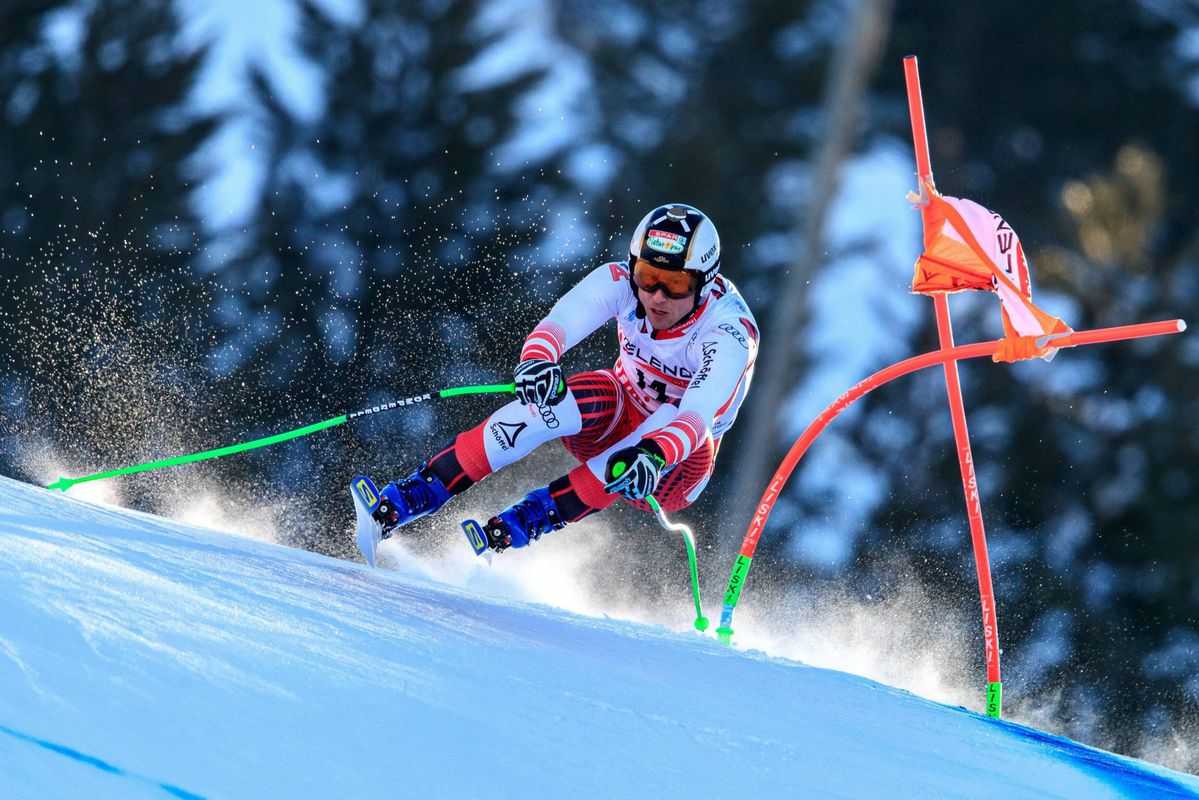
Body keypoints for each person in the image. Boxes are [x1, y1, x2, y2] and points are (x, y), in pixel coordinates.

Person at [362, 203, 759, 556]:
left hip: (675, 466)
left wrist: (655, 455)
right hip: (616, 414)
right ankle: (411, 496)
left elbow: (695, 417)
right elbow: (561, 323)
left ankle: (531, 517)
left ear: (704, 283)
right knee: (550, 400)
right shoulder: (621, 282)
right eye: (648, 275)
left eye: (675, 285)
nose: (656, 296)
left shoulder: (728, 333)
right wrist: (538, 362)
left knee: (663, 420)